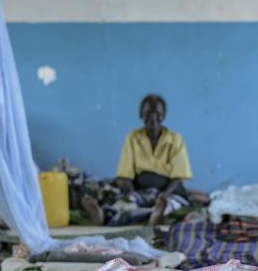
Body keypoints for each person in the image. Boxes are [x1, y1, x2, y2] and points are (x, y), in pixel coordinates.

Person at [81, 94, 192, 227]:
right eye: (147, 113)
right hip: (143, 190)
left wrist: (164, 195)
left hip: (169, 190)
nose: (153, 117)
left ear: (164, 115)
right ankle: (103, 214)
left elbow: (178, 177)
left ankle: (155, 213)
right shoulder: (132, 138)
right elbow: (125, 175)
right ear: (141, 115)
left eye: (157, 113)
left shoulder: (176, 140)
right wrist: (129, 192)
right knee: (127, 202)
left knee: (170, 205)